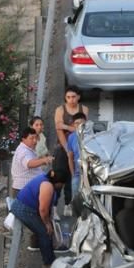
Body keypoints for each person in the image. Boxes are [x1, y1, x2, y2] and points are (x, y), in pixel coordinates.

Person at [10, 169, 69, 268]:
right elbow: (43, 209)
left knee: (43, 228)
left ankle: (38, 245)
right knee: (45, 232)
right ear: (59, 182)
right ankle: (48, 263)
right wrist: (47, 224)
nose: (62, 187)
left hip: (25, 206)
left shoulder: (45, 179)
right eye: (62, 184)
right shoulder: (47, 186)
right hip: (24, 209)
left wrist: (48, 221)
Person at [54, 87, 89, 215]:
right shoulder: (60, 110)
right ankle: (54, 205)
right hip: (63, 146)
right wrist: (67, 148)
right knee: (59, 177)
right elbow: (59, 130)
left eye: (73, 97)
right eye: (68, 97)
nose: (71, 100)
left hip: (76, 144)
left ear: (78, 97)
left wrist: (66, 127)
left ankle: (69, 204)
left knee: (73, 177)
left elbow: (83, 126)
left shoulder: (83, 109)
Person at [11, 127, 53, 198]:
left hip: (28, 188)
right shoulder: (23, 151)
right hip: (23, 189)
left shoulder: (28, 149)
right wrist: (44, 160)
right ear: (23, 139)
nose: (35, 141)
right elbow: (29, 163)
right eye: (31, 138)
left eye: (36, 138)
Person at [67, 112, 87, 199]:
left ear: (86, 122)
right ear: (73, 125)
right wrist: (73, 174)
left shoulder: (91, 135)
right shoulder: (71, 137)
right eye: (76, 123)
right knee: (75, 199)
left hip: (90, 173)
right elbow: (70, 157)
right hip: (78, 174)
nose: (79, 125)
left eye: (81, 122)